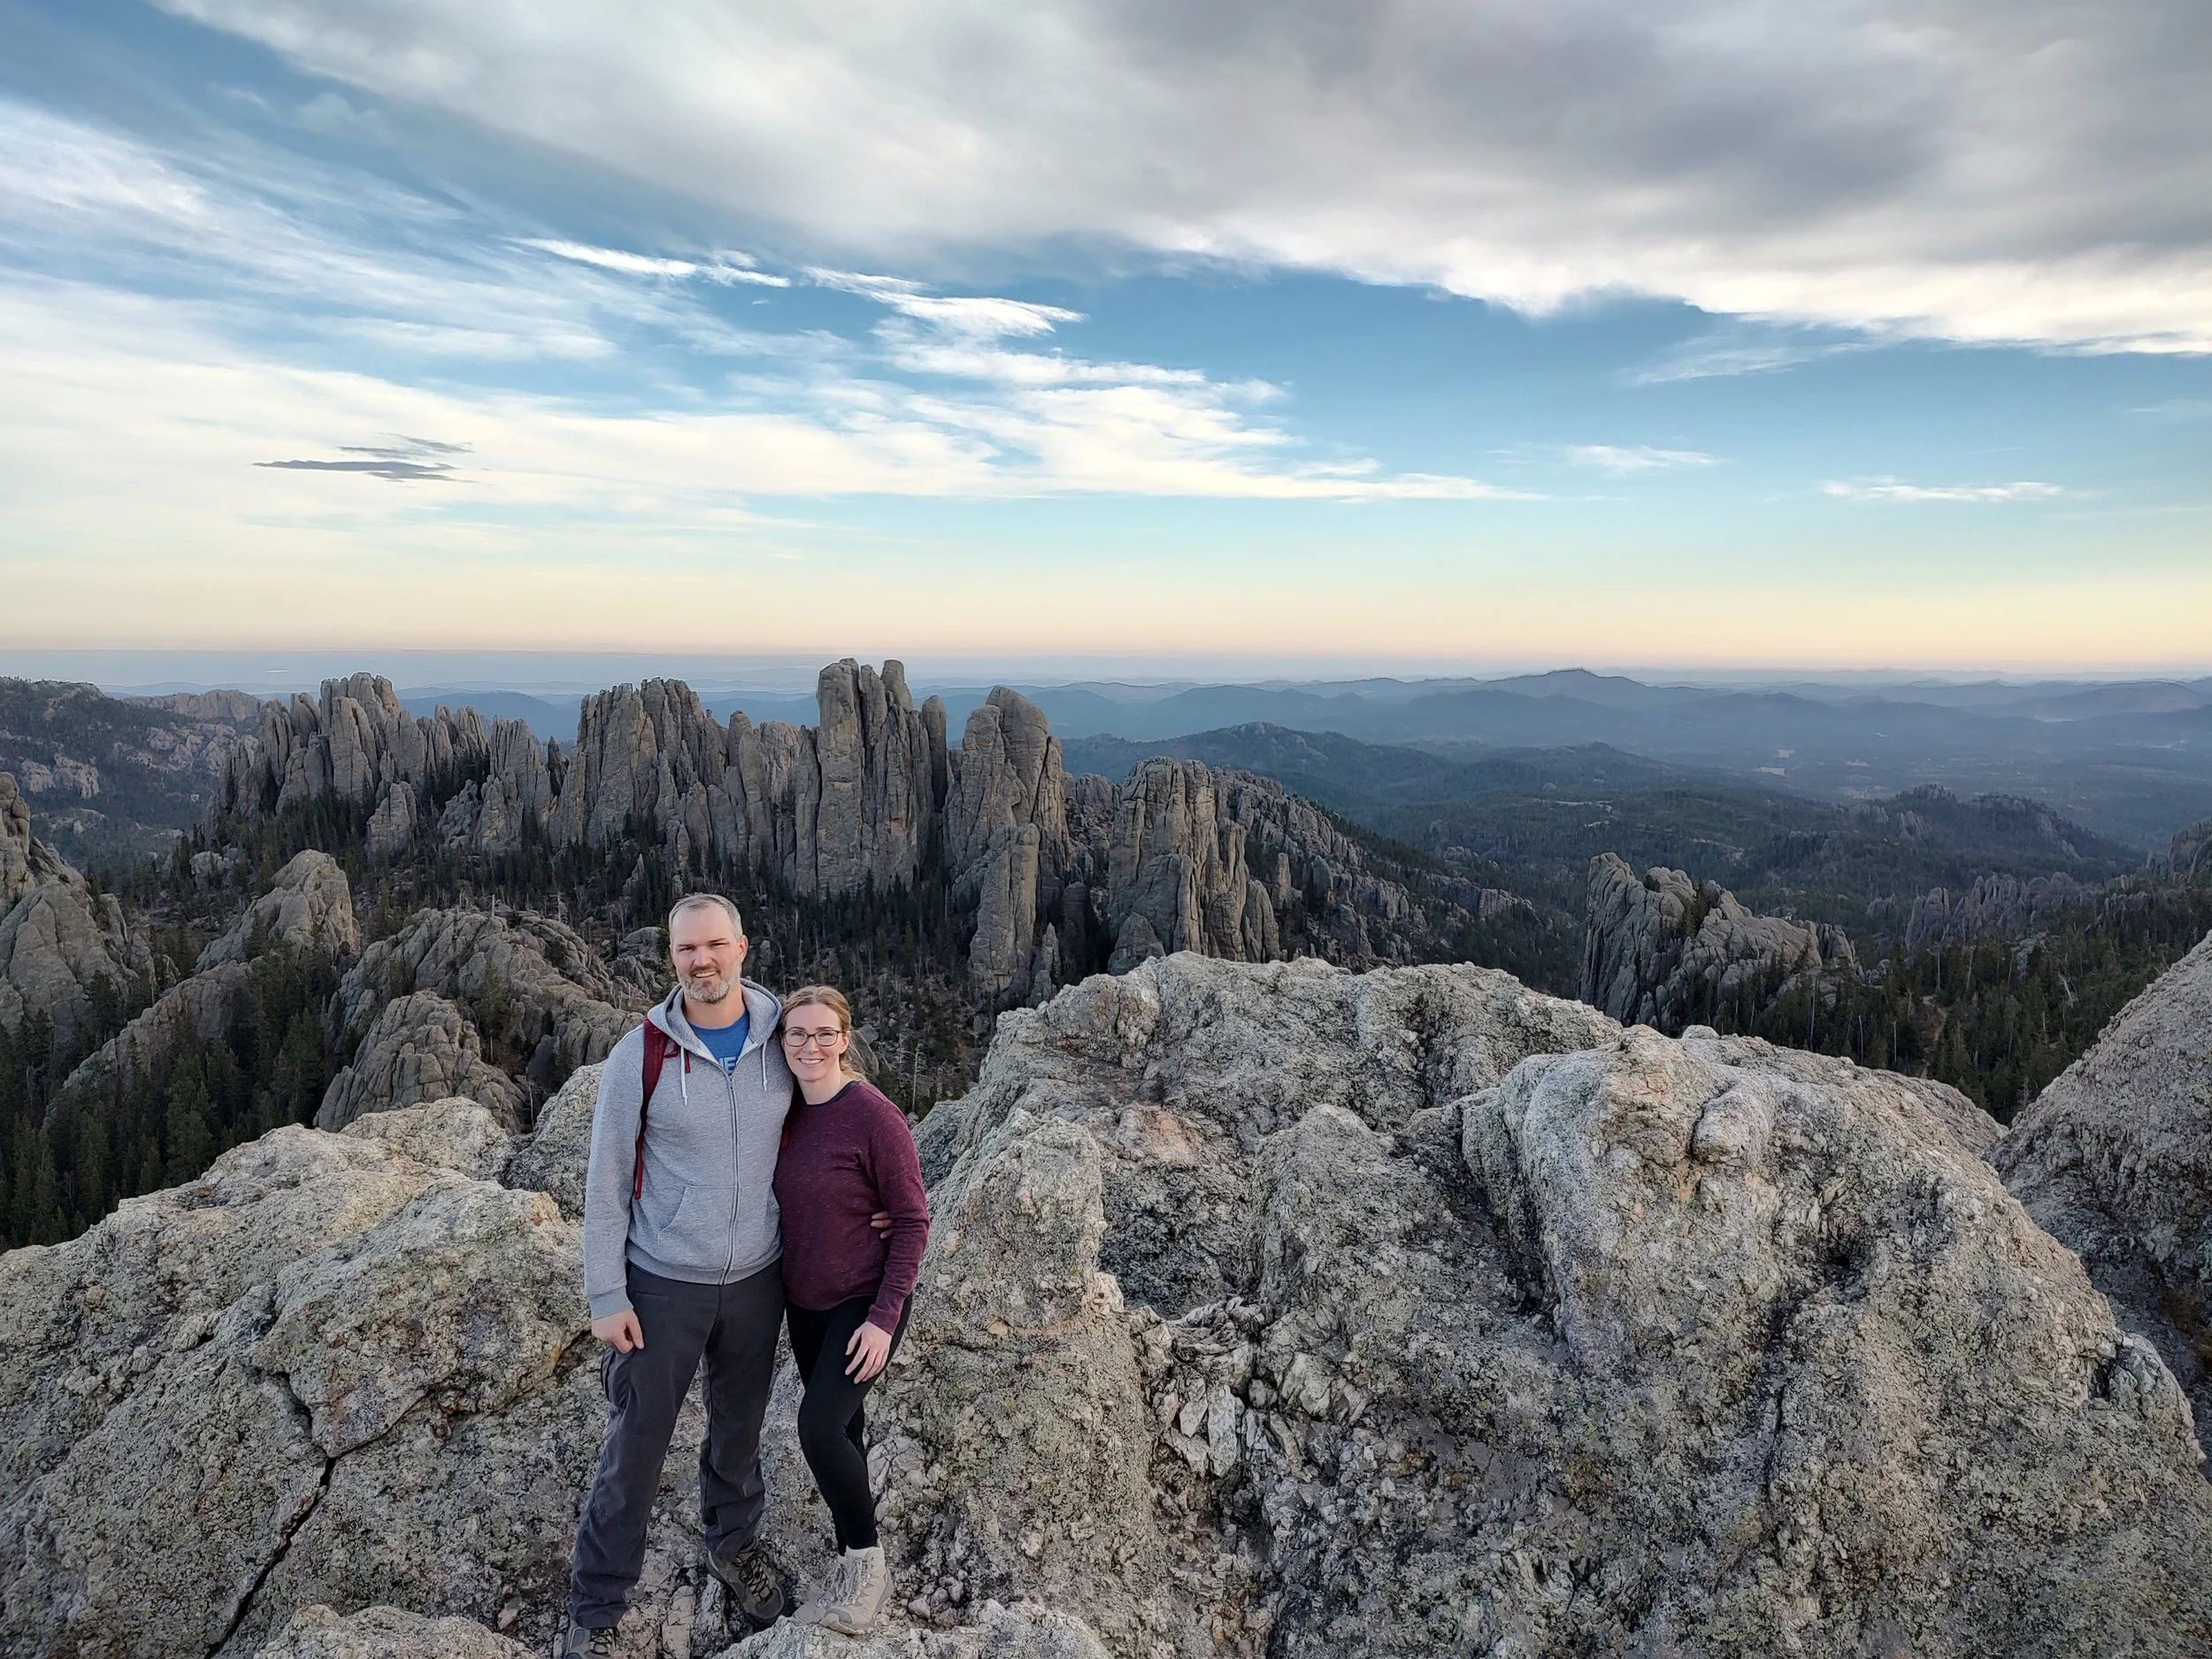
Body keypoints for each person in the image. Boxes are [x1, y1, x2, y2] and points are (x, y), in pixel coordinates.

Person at [565, 894, 793, 1656]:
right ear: (672, 958)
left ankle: (733, 1544)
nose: (703, 960)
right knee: (636, 1445)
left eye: (715, 945)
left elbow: (833, 1122)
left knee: (739, 1429)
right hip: (662, 1282)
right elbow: (605, 1179)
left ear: (742, 948)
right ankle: (596, 1606)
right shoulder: (642, 1054)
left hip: (758, 1277)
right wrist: (606, 1292)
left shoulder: (782, 1039)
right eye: (688, 949)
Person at [772, 986, 931, 1637]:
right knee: (845, 1432)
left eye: (823, 1033)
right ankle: (848, 1566)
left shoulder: (872, 1115)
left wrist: (885, 1317)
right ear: (782, 1043)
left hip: (864, 1300)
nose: (809, 1045)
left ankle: (868, 1565)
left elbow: (913, 1219)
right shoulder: (782, 1111)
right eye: (796, 1034)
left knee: (816, 1428)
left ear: (844, 1039)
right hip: (804, 1303)